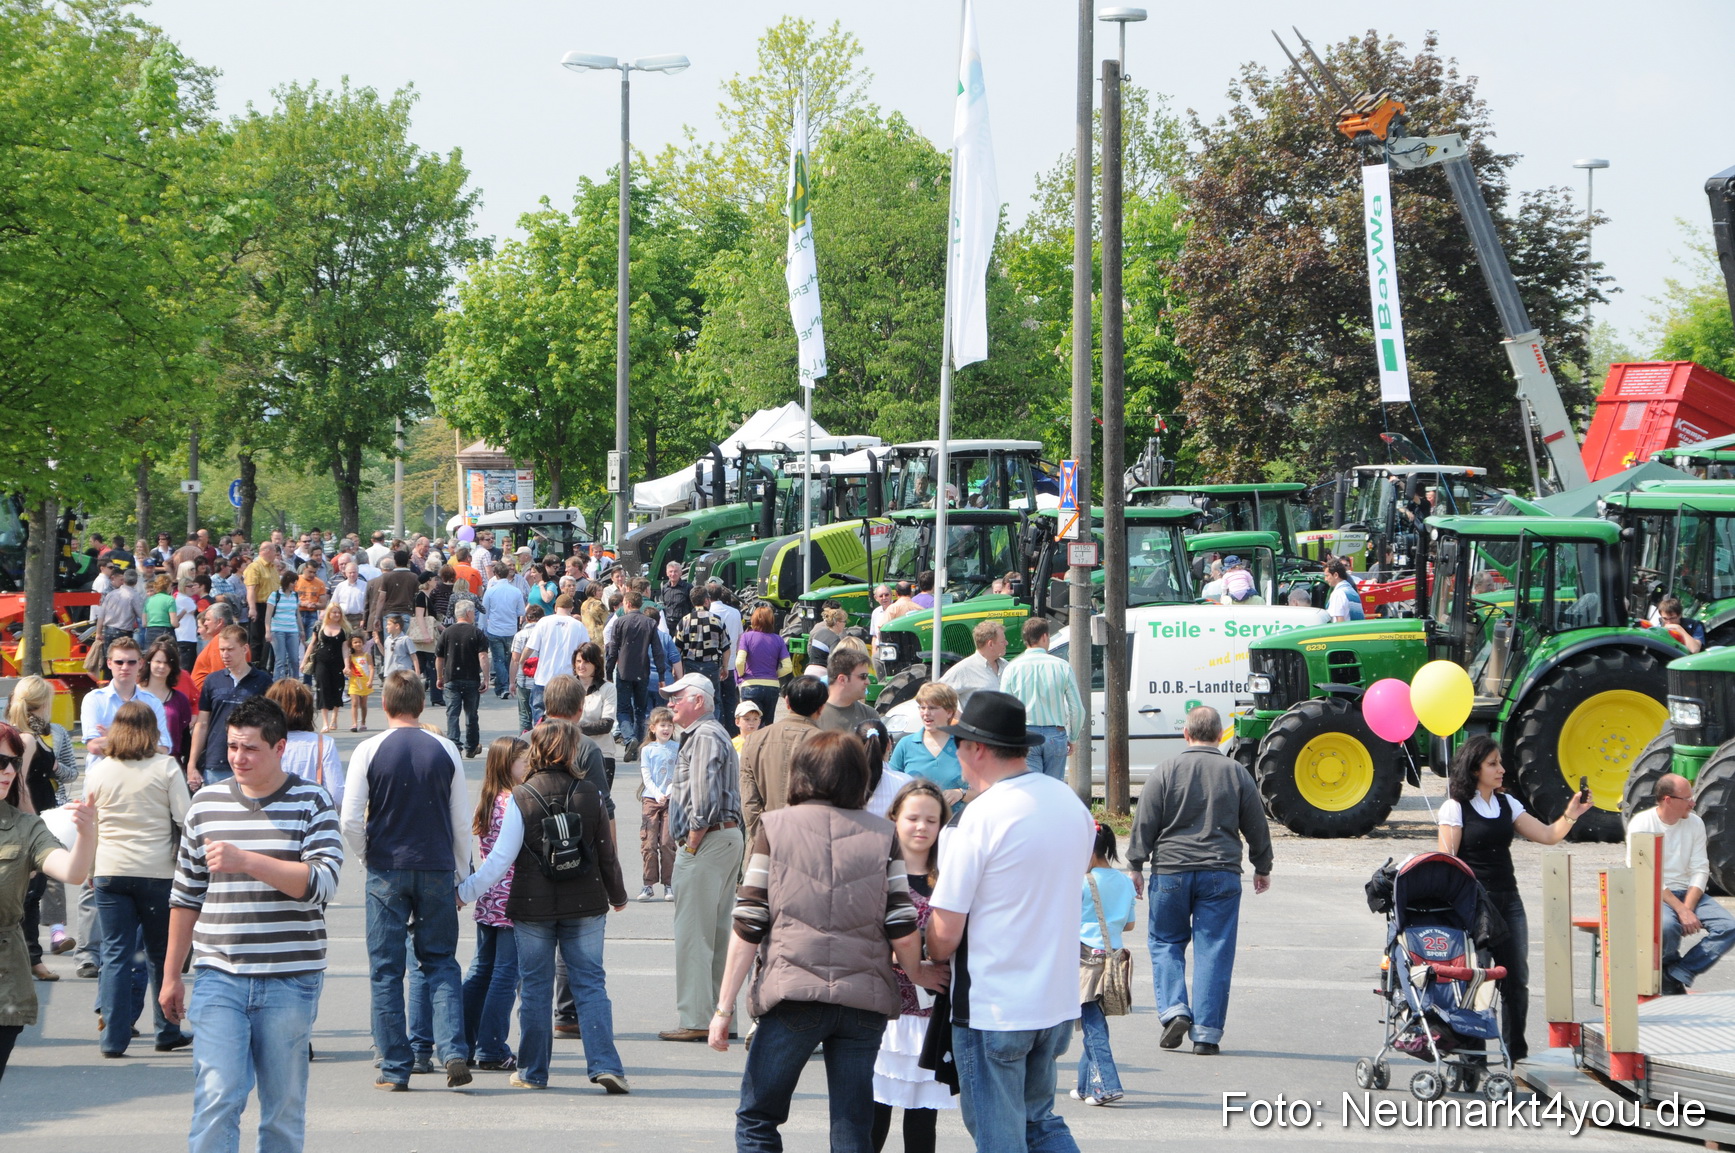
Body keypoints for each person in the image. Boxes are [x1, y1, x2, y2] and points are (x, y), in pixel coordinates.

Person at [707, 731, 947, 1153]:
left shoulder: (775, 827)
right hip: (863, 1002)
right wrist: (918, 971)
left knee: (759, 1117)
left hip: (793, 995)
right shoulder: (881, 834)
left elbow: (749, 921)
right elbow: (900, 921)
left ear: (802, 774)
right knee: (853, 1125)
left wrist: (723, 1008)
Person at [160, 696, 343, 1150]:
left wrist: (248, 861)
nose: (237, 758)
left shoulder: (311, 800)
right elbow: (185, 897)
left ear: (280, 748)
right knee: (218, 1095)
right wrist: (170, 977)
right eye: (232, 747)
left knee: (282, 1108)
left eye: (250, 749)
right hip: (219, 974)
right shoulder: (205, 804)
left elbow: (323, 882)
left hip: (290, 977)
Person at [924, 691, 1095, 1153]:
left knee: (999, 1134)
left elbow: (944, 931)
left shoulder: (978, 817)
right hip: (1054, 999)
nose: (955, 752)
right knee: (1039, 1121)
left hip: (995, 1004)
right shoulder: (1068, 802)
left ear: (977, 748)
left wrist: (923, 951)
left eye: (958, 743)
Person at [458, 721, 631, 1093]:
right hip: (585, 903)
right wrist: (617, 895)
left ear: (535, 750)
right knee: (590, 983)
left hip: (532, 905)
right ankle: (605, 1064)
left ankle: (533, 1071)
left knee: (536, 987)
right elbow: (606, 853)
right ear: (571, 751)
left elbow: (500, 859)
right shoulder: (590, 792)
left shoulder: (522, 795)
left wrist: (465, 891)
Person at [340, 671, 474, 1090]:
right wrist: (462, 874)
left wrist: (368, 855)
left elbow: (349, 819)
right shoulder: (446, 748)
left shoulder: (368, 749)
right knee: (440, 962)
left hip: (386, 868)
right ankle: (452, 1049)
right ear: (421, 704)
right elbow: (461, 823)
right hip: (435, 865)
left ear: (386, 705)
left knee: (385, 969)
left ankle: (396, 1067)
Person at [1126, 706, 1272, 1056]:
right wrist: (1261, 866)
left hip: (1172, 871)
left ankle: (1175, 1009)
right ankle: (1206, 1034)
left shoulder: (1166, 770)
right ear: (1221, 735)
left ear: (1186, 734)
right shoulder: (1237, 773)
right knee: (1214, 950)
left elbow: (1145, 819)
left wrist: (1135, 863)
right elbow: (1256, 825)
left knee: (1165, 941)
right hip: (1221, 873)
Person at [1437, 735, 1590, 1062]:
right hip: (1474, 906)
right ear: (1474, 768)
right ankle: (1472, 1057)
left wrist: (1572, 813)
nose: (1501, 769)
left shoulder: (1508, 804)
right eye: (1493, 764)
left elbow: (1548, 836)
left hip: (1510, 903)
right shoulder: (1455, 807)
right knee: (1477, 981)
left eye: (1500, 763)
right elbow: (1447, 861)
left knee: (1516, 980)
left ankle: (1515, 1055)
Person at [82, 702, 194, 1057]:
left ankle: (113, 1038)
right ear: (152, 730)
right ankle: (167, 1030)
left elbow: (90, 826)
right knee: (162, 955)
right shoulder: (165, 767)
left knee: (116, 954)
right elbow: (186, 818)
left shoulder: (99, 771)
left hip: (109, 871)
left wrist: (89, 869)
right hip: (157, 873)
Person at [0, 723, 95, 1082]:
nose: (8, 771)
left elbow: (71, 872)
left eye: (13, 762)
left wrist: (87, 834)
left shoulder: (26, 827)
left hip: (5, 979)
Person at [658, 673, 745, 1042]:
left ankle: (696, 1018)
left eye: (678, 697)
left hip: (709, 838)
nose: (672, 703)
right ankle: (720, 1017)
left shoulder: (705, 736)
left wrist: (692, 839)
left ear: (698, 700)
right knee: (717, 934)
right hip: (721, 838)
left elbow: (704, 794)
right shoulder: (710, 734)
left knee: (695, 935)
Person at [871, 777, 955, 1153]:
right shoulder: (876, 873)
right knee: (872, 1119)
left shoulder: (951, 878)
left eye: (932, 820)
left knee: (923, 1124)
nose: (922, 827)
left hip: (931, 1015)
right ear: (894, 818)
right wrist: (901, 956)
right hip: (883, 1014)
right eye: (913, 818)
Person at [1628, 773, 1735, 994]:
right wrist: (1680, 911)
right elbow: (1645, 876)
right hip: (1655, 893)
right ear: (1668, 800)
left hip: (1687, 892)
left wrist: (1687, 908)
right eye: (1687, 798)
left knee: (1729, 927)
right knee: (1667, 927)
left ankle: (1677, 973)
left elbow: (1700, 868)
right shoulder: (1642, 824)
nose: (1693, 802)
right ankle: (1666, 973)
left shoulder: (1695, 822)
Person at [461, 736, 530, 1072]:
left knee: (481, 970)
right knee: (506, 973)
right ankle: (490, 1046)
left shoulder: (488, 799)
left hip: (490, 896)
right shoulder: (514, 801)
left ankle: (461, 1039)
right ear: (509, 764)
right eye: (524, 761)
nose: (529, 765)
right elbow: (507, 855)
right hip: (511, 895)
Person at [9, 677, 81, 972]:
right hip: (35, 818)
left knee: (32, 890)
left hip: (42, 815)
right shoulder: (26, 738)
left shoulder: (32, 735)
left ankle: (32, 958)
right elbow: (22, 784)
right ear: (41, 704)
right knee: (30, 891)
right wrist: (34, 824)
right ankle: (32, 959)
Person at [1074, 822, 1135, 1105]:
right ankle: (1086, 1085)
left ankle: (1106, 1087)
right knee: (1094, 1021)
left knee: (1093, 1025)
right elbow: (1130, 924)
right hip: (1114, 960)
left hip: (1087, 960)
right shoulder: (1125, 881)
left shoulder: (1083, 882)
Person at [738, 675, 827, 850]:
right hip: (807, 847)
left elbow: (749, 801)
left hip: (764, 846)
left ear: (786, 702)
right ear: (822, 708)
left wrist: (763, 837)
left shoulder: (754, 740)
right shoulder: (827, 744)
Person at [998, 616, 1085, 780]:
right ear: (1044, 637)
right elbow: (1078, 709)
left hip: (1026, 734)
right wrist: (1073, 737)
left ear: (1025, 640)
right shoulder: (1061, 666)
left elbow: (1004, 709)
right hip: (1055, 733)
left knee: (1032, 785)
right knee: (1053, 787)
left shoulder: (1012, 668)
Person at [188, 625, 273, 791]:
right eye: (221, 650)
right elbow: (202, 724)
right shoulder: (212, 681)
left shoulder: (263, 681)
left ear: (244, 648)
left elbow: (270, 725)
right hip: (216, 760)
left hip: (250, 760)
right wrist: (192, 764)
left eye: (230, 649)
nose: (225, 655)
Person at [83, 635, 173, 771]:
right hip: (103, 780)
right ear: (109, 663)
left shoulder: (152, 702)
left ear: (141, 664)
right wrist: (144, 739)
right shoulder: (94, 699)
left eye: (131, 662)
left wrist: (111, 737)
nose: (125, 667)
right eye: (119, 662)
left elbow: (163, 748)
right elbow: (94, 747)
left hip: (141, 780)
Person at [888, 682, 970, 812]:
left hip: (956, 826)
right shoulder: (906, 745)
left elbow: (986, 789)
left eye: (932, 708)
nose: (926, 713)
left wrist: (961, 793)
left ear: (949, 712)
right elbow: (890, 785)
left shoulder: (965, 745)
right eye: (922, 707)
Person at [267, 679, 346, 812]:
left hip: (272, 817)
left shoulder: (264, 743)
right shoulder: (323, 743)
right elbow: (336, 795)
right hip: (311, 818)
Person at [606, 591, 667, 761]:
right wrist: (661, 674)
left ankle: (629, 738)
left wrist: (608, 671)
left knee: (624, 708)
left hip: (624, 670)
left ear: (626, 603)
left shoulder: (619, 622)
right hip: (643, 670)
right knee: (641, 709)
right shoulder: (649, 623)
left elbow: (612, 649)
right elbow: (657, 651)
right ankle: (640, 744)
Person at [523, 593, 589, 727]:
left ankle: (541, 739)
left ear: (556, 607)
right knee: (564, 714)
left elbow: (530, 647)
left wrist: (520, 662)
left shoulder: (544, 622)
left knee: (539, 712)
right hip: (567, 679)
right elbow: (586, 651)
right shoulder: (578, 625)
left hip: (544, 677)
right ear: (571, 608)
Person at [435, 599, 488, 757]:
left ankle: (454, 745)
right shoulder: (476, 633)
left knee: (452, 713)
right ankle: (471, 746)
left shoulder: (447, 632)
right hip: (471, 678)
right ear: (469, 613)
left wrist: (440, 676)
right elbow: (483, 657)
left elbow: (439, 657)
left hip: (451, 677)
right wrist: (486, 678)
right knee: (471, 714)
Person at [638, 707, 679, 902]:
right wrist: (657, 794)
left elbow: (679, 773)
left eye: (670, 725)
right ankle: (648, 884)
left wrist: (668, 793)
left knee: (667, 842)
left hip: (671, 799)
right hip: (651, 799)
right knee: (649, 843)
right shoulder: (647, 750)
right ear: (653, 728)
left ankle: (669, 884)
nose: (666, 729)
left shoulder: (677, 747)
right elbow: (646, 776)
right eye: (662, 725)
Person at [139, 637, 195, 768]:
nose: (162, 666)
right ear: (148, 662)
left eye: (167, 663)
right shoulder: (135, 695)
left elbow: (185, 738)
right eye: (158, 661)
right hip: (140, 763)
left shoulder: (180, 699)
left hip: (171, 764)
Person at [674, 588, 731, 707]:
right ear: (706, 601)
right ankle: (712, 723)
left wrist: (676, 670)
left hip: (690, 666)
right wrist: (725, 667)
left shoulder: (685, 620)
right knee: (712, 700)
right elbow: (726, 647)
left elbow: (676, 649)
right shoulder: (716, 620)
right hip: (711, 666)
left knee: (692, 699)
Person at [735, 604, 792, 723]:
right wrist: (774, 675)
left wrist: (742, 674)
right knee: (767, 724)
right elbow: (788, 667)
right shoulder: (778, 639)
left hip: (751, 684)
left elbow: (740, 661)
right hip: (772, 686)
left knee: (751, 723)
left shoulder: (746, 637)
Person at [481, 562, 526, 698]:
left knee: (498, 660)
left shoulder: (490, 591)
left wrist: (482, 628)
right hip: (511, 629)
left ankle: (503, 687)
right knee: (508, 659)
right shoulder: (516, 591)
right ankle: (504, 685)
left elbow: (484, 612)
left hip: (494, 629)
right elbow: (521, 611)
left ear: (495, 574)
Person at [941, 619, 1008, 708]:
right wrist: (957, 716)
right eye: (1003, 641)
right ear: (990, 644)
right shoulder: (963, 670)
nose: (1007, 643)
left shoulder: (1006, 666)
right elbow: (935, 696)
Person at [306, 603, 350, 734]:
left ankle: (334, 718)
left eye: (338, 612)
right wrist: (304, 660)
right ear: (329, 613)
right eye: (334, 612)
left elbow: (345, 648)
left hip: (337, 663)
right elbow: (312, 644)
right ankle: (325, 722)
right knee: (322, 688)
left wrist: (347, 665)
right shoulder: (319, 626)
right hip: (321, 661)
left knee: (337, 688)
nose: (336, 614)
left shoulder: (344, 629)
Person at [819, 646, 878, 733]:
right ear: (842, 679)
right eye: (863, 676)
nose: (868, 682)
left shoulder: (869, 715)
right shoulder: (814, 715)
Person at [511, 603, 545, 735]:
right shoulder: (545, 634)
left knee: (525, 717)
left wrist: (511, 682)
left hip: (524, 680)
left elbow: (515, 660)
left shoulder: (520, 635)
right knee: (541, 717)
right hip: (542, 680)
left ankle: (523, 746)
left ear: (527, 618)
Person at [266, 573, 303, 683]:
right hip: (277, 630)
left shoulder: (295, 596)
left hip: (292, 630)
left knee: (294, 659)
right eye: (292, 582)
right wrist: (268, 631)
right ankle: (278, 684)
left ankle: (294, 683)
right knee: (280, 660)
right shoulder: (275, 595)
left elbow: (297, 614)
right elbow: (268, 615)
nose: (294, 584)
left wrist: (301, 630)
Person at [345, 633, 375, 733]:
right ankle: (354, 723)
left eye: (360, 642)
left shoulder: (367, 655)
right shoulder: (350, 657)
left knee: (363, 704)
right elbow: (347, 669)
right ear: (351, 644)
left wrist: (370, 681)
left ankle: (363, 722)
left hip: (365, 682)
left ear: (363, 643)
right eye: (355, 642)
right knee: (354, 703)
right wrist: (347, 671)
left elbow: (371, 668)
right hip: (354, 683)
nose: (358, 644)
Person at [806, 605, 849, 670]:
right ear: (838, 623)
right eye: (844, 621)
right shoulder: (834, 639)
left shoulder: (820, 632)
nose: (845, 624)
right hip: (822, 671)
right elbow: (834, 662)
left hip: (809, 669)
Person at [381, 613, 417, 681]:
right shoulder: (387, 640)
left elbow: (413, 656)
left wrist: (417, 672)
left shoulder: (405, 639)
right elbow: (386, 655)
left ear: (397, 626)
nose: (386, 627)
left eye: (388, 624)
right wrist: (378, 644)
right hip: (389, 672)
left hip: (403, 672)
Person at [660, 559, 694, 626]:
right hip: (668, 624)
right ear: (667, 573)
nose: (673, 574)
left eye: (675, 571)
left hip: (683, 624)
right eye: (670, 571)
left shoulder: (688, 587)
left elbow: (692, 607)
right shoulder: (664, 588)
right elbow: (664, 605)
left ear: (681, 573)